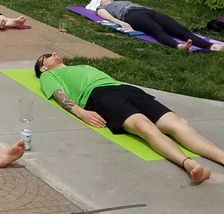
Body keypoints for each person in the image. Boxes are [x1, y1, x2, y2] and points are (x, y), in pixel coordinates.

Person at [35, 52, 224, 183]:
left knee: (178, 123)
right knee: (143, 126)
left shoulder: (79, 66)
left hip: (123, 88)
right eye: (48, 56)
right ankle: (189, 164)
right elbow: (60, 96)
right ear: (43, 67)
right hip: (98, 95)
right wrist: (80, 112)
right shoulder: (48, 76)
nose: (53, 54)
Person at [88, 0, 222, 52]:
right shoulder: (102, 8)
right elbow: (104, 15)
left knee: (179, 29)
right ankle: (178, 46)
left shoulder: (118, 1)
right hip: (131, 15)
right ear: (99, 1)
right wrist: (121, 23)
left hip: (148, 11)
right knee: (156, 29)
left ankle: (209, 46)